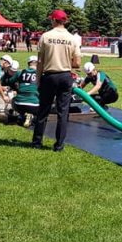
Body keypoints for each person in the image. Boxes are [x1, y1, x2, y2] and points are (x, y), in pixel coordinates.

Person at [31, 9, 81, 152]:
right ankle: (59, 146)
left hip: (50, 75)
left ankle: (37, 142)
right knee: (63, 112)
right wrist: (64, 61)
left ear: (53, 20)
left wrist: (38, 78)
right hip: (65, 75)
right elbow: (77, 63)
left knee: (43, 111)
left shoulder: (46, 36)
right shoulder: (72, 38)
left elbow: (40, 61)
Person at [2, 57, 39, 128]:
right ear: (37, 65)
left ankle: (21, 115)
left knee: (15, 99)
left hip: (19, 104)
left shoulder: (20, 72)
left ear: (28, 64)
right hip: (34, 104)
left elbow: (8, 81)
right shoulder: (39, 74)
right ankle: (32, 115)